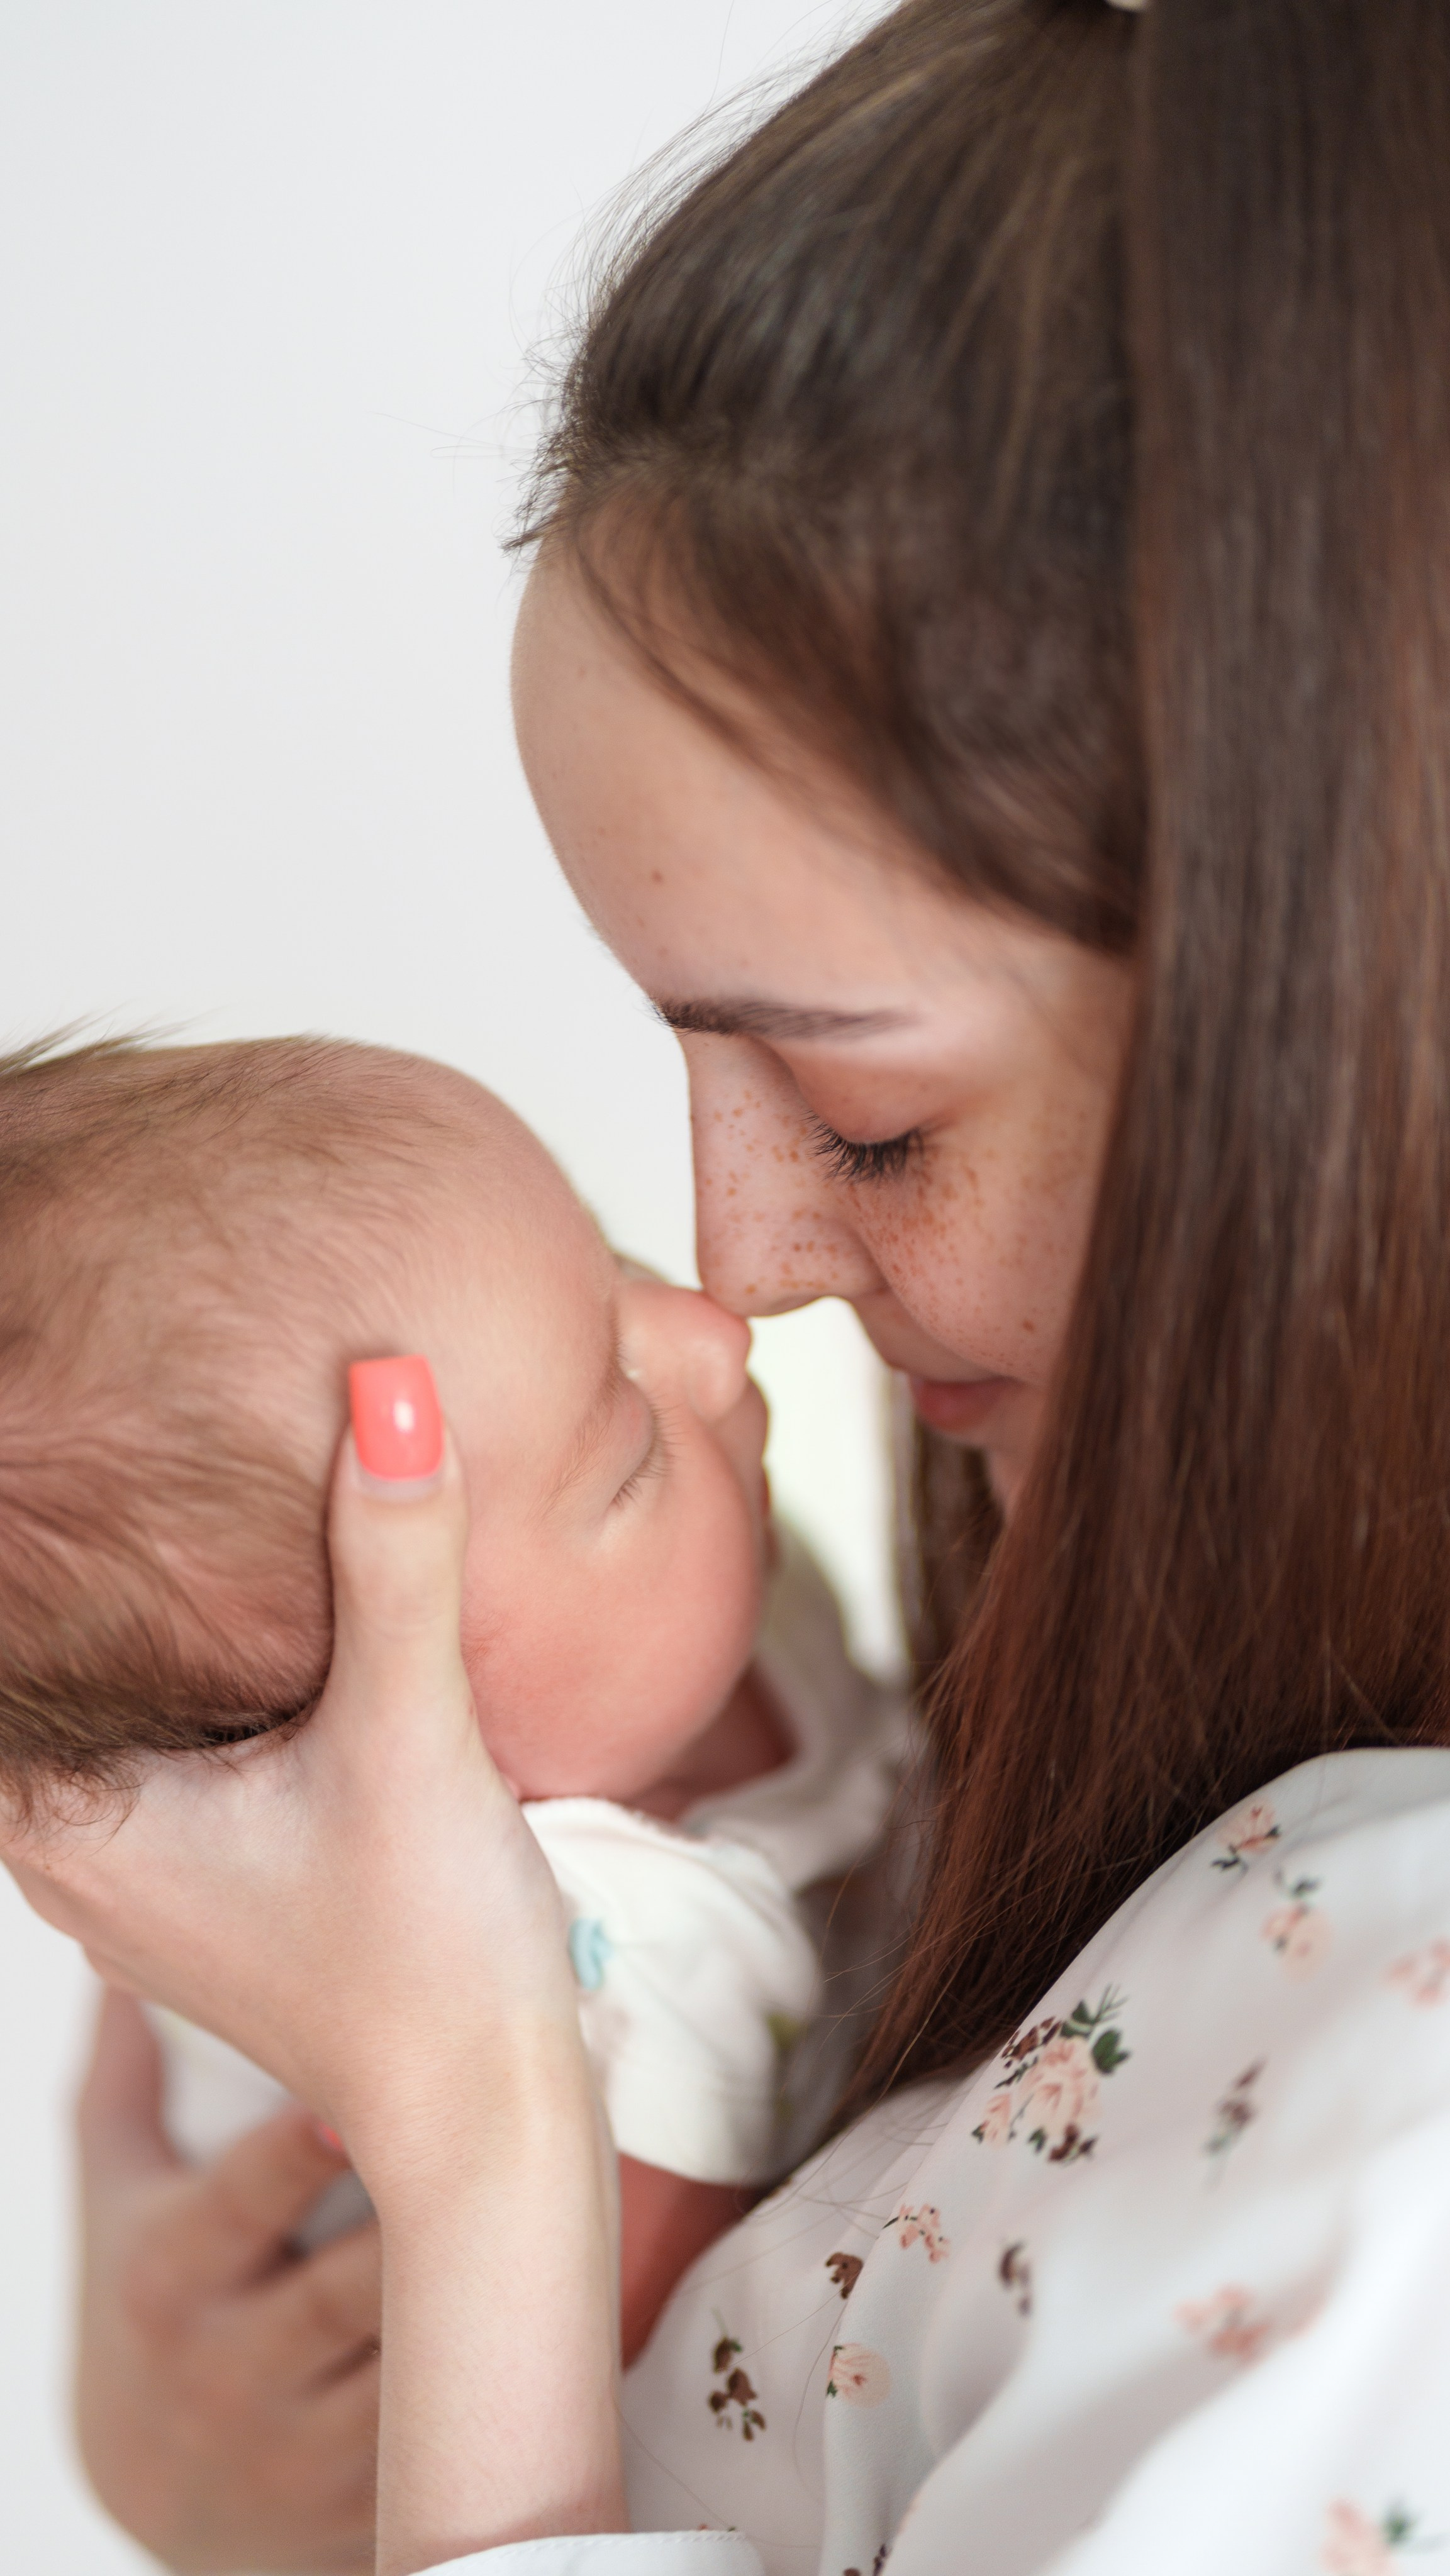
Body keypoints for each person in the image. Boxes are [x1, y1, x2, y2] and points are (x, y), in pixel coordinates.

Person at [16, 0, 1450, 2568]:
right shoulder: (1086, 1763)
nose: (748, 1269)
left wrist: (473, 2131)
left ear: (1356, 1009)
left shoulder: (1393, 2098)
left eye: (872, 1116)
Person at [0, 1033, 905, 2360]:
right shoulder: (590, 1974)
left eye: (612, 1261)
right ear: (406, 1749)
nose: (712, 1337)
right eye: (628, 1453)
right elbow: (669, 2417)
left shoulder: (710, 1615)